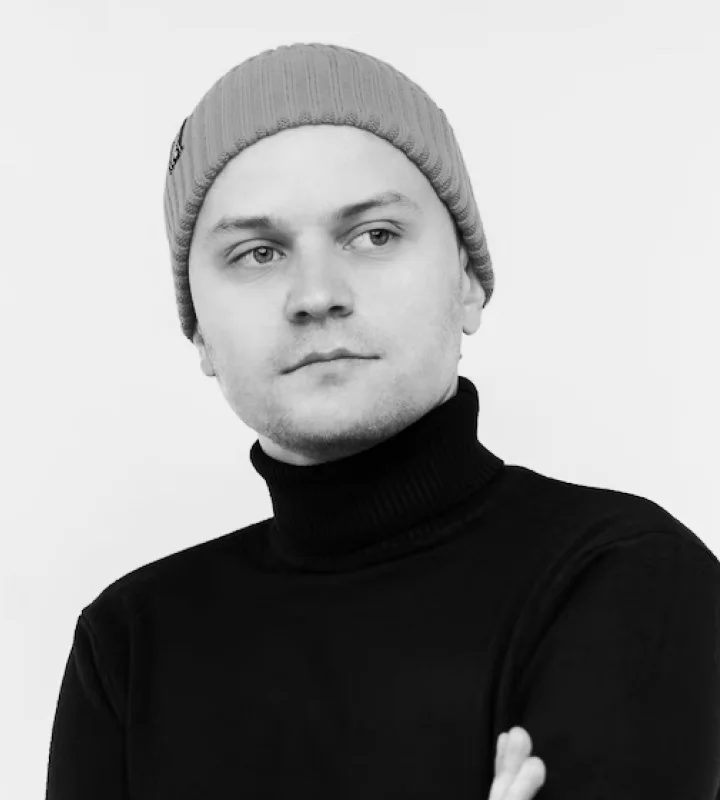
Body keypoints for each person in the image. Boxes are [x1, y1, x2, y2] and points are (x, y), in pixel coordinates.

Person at [45, 42, 719, 799]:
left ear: (468, 281)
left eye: (374, 235)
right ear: (198, 331)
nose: (316, 294)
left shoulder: (623, 577)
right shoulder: (129, 647)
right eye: (258, 253)